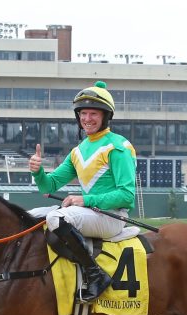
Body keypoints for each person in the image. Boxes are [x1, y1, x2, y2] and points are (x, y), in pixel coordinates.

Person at [28, 80, 136, 303]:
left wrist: (85, 200)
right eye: (83, 113)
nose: (87, 119)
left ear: (106, 116)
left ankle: (95, 275)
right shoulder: (78, 151)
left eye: (93, 114)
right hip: (91, 214)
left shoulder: (118, 147)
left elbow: (127, 195)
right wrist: (37, 171)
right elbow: (49, 186)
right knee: (30, 216)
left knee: (56, 217)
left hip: (112, 217)